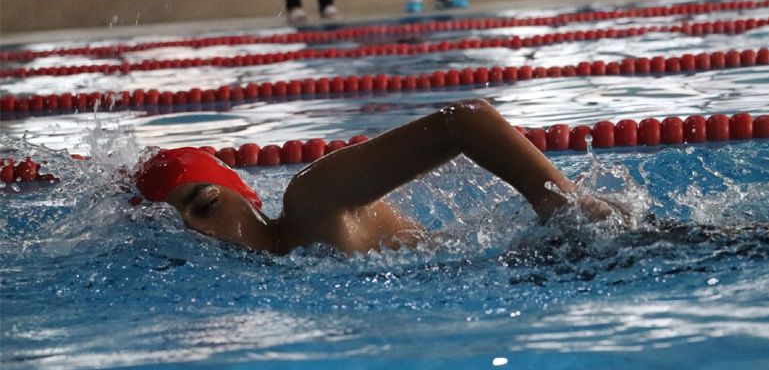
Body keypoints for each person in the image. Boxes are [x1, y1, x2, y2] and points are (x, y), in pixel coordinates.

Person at [134, 99, 622, 254]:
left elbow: (466, 120)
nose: (196, 229)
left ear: (244, 193)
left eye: (205, 204)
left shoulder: (311, 201)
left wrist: (561, 200)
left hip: (562, 251)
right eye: (177, 219)